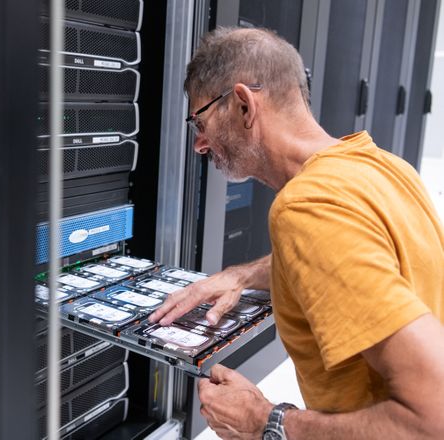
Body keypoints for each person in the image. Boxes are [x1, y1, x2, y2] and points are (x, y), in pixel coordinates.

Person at [148, 27, 444, 440]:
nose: (200, 144)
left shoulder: (305, 208)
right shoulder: (384, 167)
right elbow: (352, 254)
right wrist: (240, 275)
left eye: (201, 120)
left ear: (243, 105)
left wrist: (264, 422)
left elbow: (433, 419)